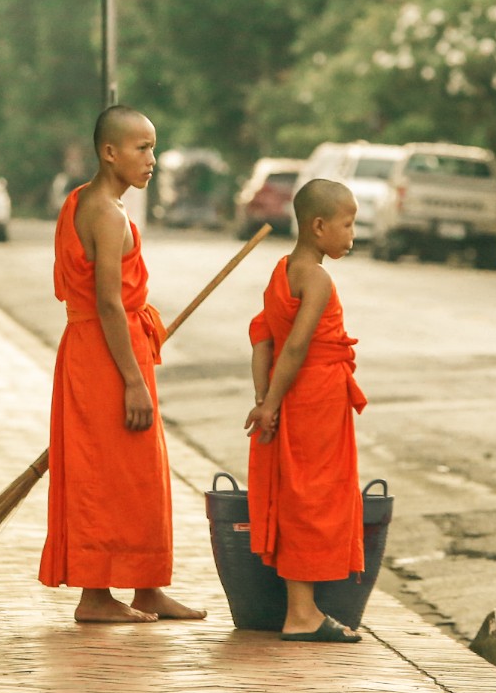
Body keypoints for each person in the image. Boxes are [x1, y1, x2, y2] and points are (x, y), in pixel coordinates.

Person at [40, 105, 203, 624]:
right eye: (142, 148)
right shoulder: (106, 212)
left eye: (153, 147)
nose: (152, 159)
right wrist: (133, 380)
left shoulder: (83, 201)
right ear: (109, 152)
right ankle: (94, 596)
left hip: (104, 349)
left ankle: (147, 587)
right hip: (107, 358)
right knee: (104, 473)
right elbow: (108, 301)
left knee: (140, 473)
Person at [243, 178, 368, 643]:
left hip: (293, 394)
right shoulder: (316, 277)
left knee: (298, 491)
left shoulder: (282, 270)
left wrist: (264, 398)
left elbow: (262, 338)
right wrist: (270, 404)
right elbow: (294, 347)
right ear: (319, 226)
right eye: (348, 225)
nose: (352, 235)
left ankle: (302, 608)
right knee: (314, 496)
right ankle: (302, 613)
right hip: (313, 397)